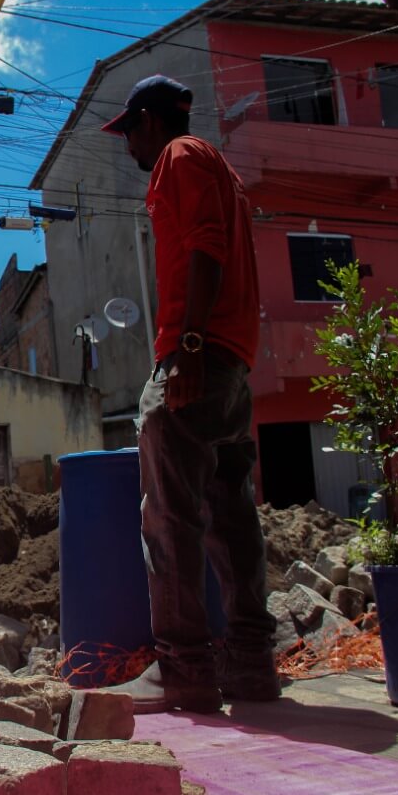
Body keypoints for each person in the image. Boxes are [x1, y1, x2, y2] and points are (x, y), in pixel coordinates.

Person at [100, 75, 279, 713]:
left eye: (129, 132)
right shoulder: (218, 168)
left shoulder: (179, 156)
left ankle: (184, 670)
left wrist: (190, 351)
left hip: (196, 357)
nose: (128, 147)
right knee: (230, 516)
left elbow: (204, 247)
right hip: (232, 363)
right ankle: (253, 666)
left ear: (149, 122)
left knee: (169, 517)